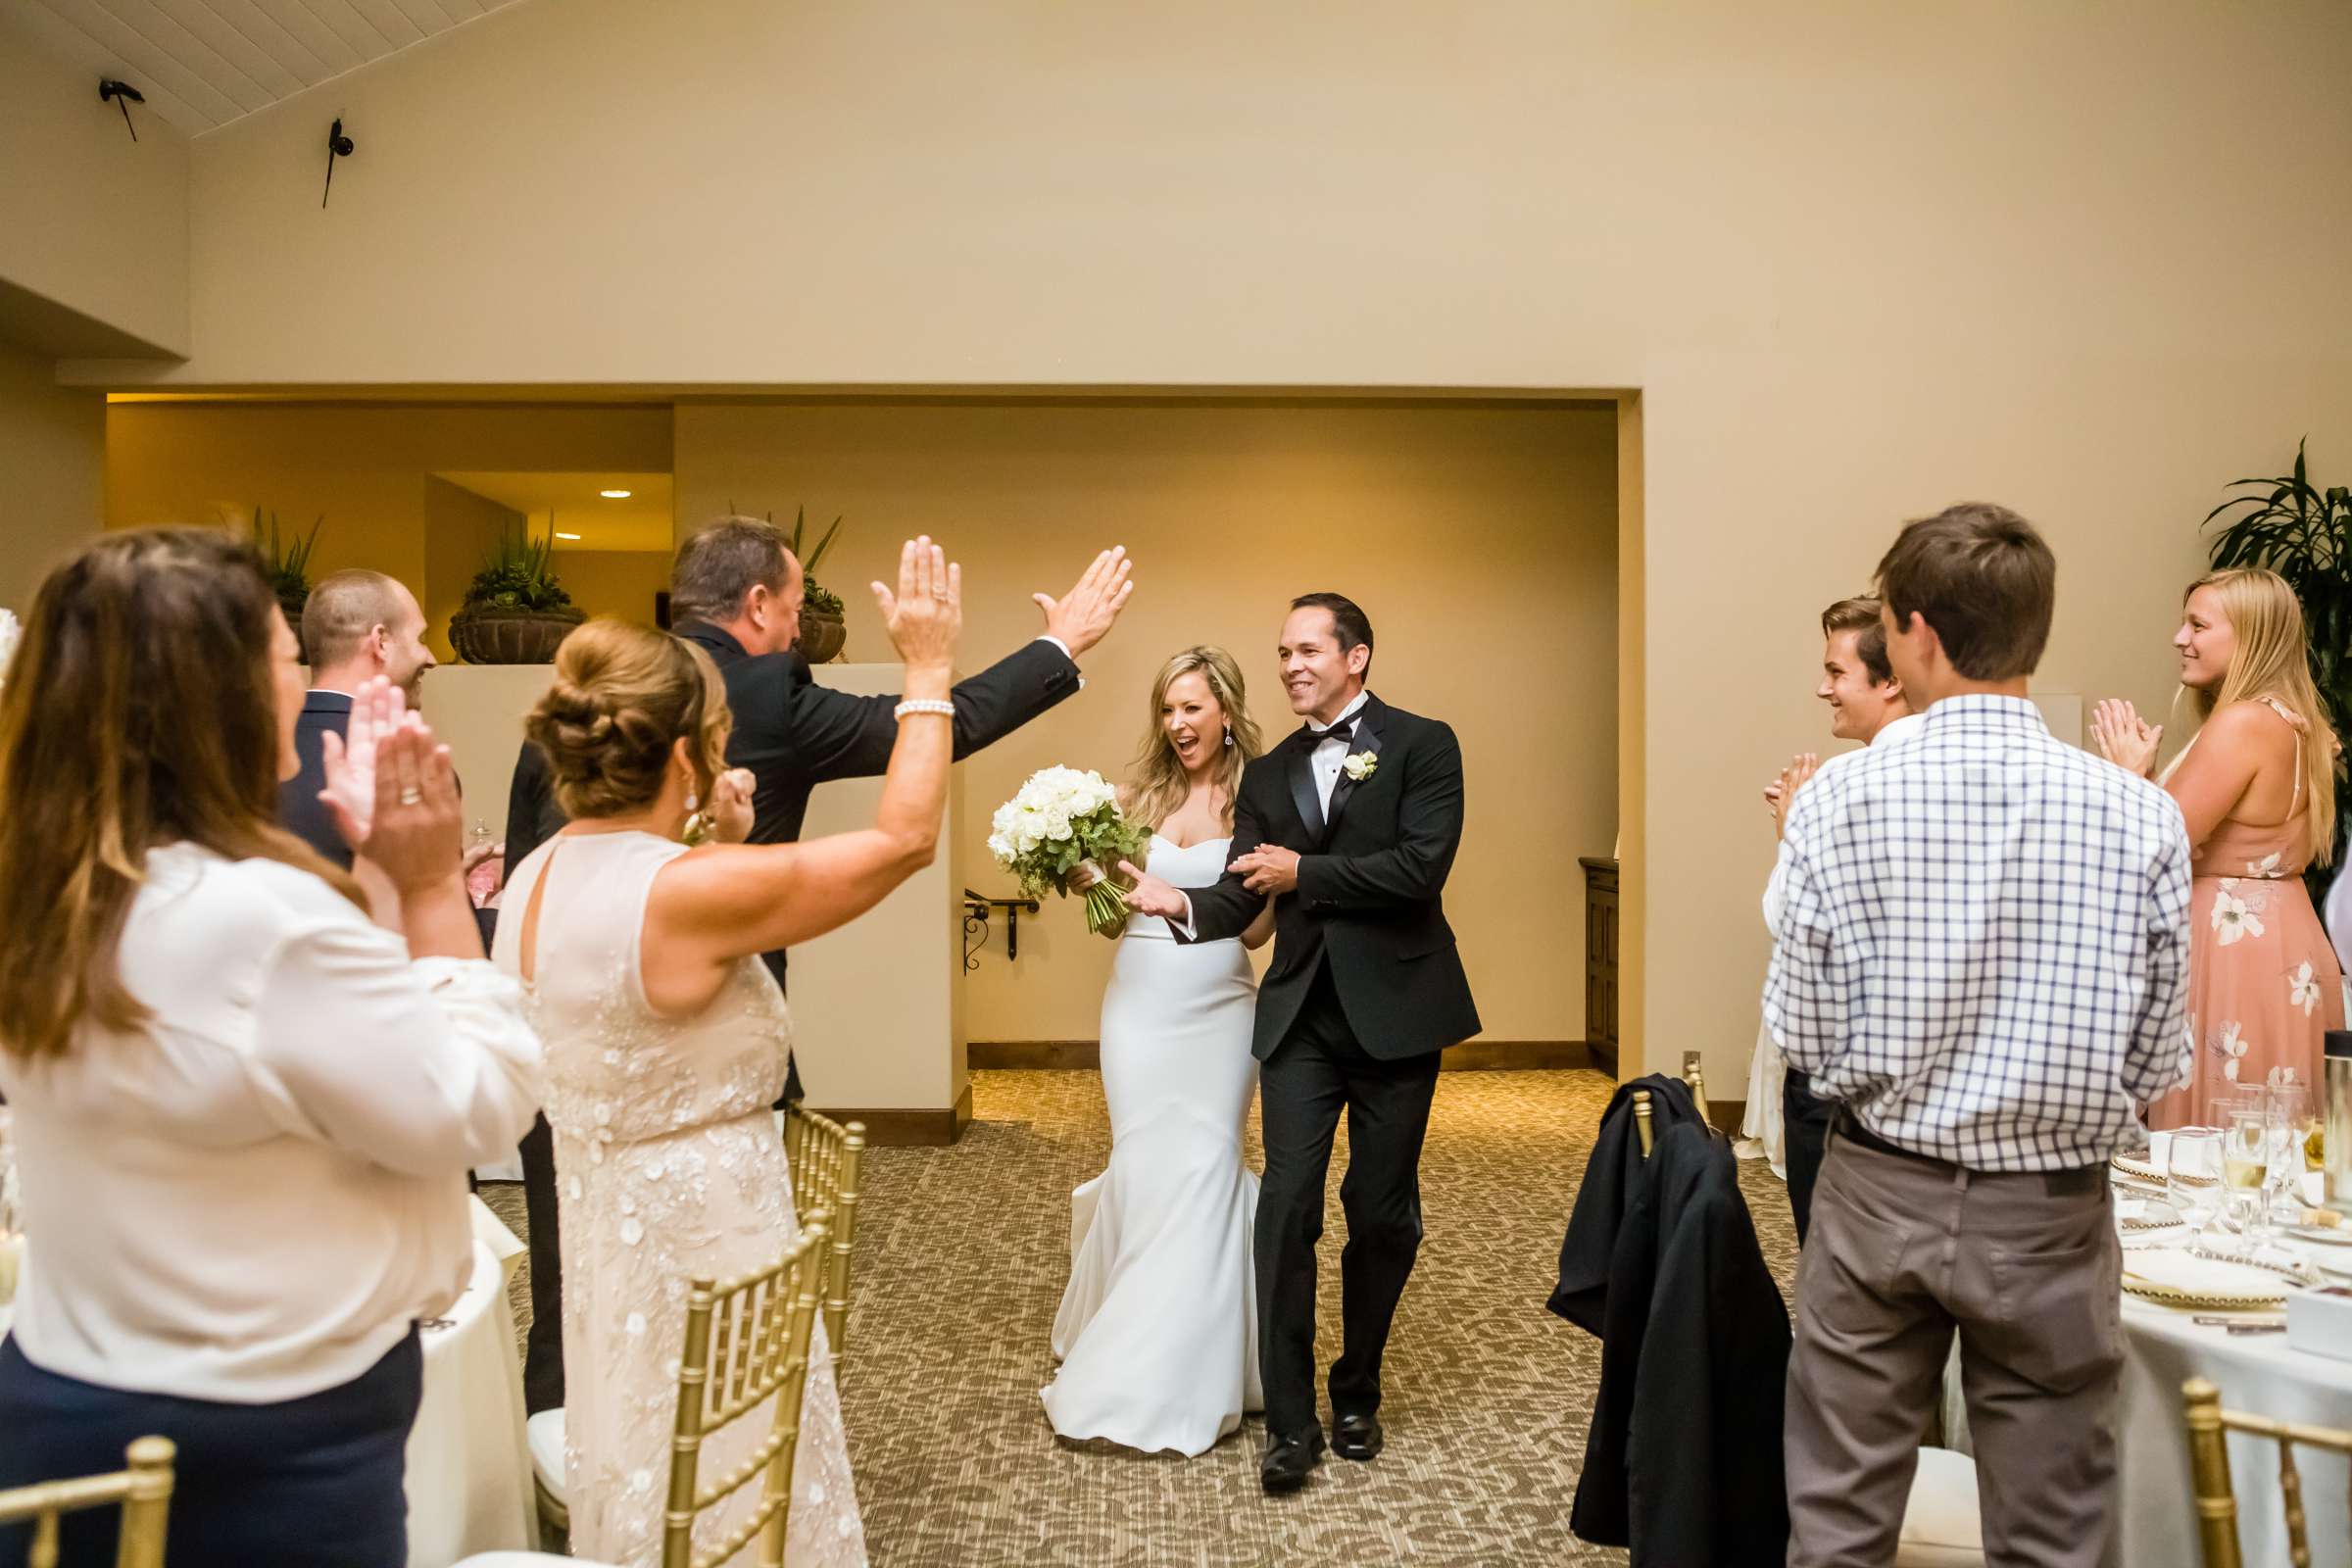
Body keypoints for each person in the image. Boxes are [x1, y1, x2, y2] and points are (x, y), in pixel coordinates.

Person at [501, 517, 1134, 1416]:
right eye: (795, 610)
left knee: (576, 1294)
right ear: (757, 605)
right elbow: (916, 802)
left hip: (559, 1070)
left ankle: (566, 1476)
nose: (798, 632)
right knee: (713, 1342)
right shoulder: (754, 695)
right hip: (695, 1085)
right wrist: (1018, 652)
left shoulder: (590, 714)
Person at [0, 529, 542, 1568]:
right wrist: (430, 888)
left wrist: (376, 879)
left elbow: (289, 1069)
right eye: (284, 656)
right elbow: (475, 1103)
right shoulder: (258, 921)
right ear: (224, 694)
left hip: (70, 1391)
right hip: (259, 1442)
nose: (299, 677)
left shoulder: (55, 894)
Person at [494, 537, 962, 1567]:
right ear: (682, 755)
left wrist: (719, 847)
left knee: (654, 1470)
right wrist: (926, 670)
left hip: (609, 1244)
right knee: (737, 1486)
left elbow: (650, 994)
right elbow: (903, 841)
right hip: (709, 1247)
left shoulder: (530, 884)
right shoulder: (681, 892)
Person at [1766, 503, 2191, 1567]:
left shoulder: (1836, 801)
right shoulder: (2141, 814)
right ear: (2034, 632)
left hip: (1877, 1195)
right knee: (2054, 1535)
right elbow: (2155, 1060)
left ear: (1913, 631)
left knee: (1840, 1519)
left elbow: (1806, 1038)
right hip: (2050, 1210)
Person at [1121, 594, 1480, 1494]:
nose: (1291, 666)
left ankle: (1356, 1387)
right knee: (1285, 1209)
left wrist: (1304, 872)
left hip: (1398, 1013)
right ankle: (1290, 1422)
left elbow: (1419, 868)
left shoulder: (1423, 744)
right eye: (1282, 652)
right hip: (1299, 1021)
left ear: (1357, 656)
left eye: (1309, 650)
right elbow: (1244, 893)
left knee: (1381, 1209)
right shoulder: (1273, 772)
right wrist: (1184, 905)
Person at [1041, 648, 1273, 1456]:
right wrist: (1090, 884)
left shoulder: (1259, 801)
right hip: (1139, 1003)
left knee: (1208, 1160)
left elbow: (1254, 928)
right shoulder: (1132, 798)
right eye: (1167, 710)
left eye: (1192, 709)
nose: (1177, 724)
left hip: (1219, 1006)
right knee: (1144, 1160)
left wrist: (1194, 895)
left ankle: (1205, 1365)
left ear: (1226, 711)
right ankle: (1132, 1343)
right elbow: (1113, 920)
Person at [2092, 566, 2344, 1125]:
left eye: (2198, 625)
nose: (2180, 638)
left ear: (2250, 635)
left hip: (2231, 950)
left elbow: (2154, 849)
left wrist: (2128, 779)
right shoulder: (2295, 721)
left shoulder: (2242, 723)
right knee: (2271, 1142)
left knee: (2216, 1143)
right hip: (2283, 939)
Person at [1746, 595, 1917, 1240]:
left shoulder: (1843, 782)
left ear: (1892, 679)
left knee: (1834, 1256)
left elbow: (1788, 921)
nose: (1824, 689)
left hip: (1843, 1062)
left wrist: (1793, 835)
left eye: (1837, 672)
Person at [280, 569, 438, 869]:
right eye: (421, 639)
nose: (431, 657)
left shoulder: (249, 757)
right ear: (381, 642)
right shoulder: (408, 769)